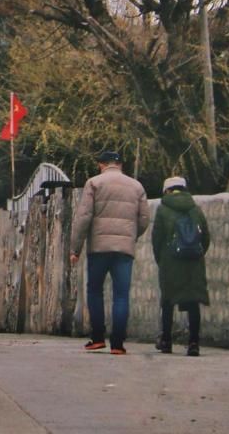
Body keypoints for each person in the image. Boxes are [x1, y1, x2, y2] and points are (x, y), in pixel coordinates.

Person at [69, 150, 150, 355]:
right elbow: (143, 220)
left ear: (101, 164)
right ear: (121, 164)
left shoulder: (94, 183)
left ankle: (97, 338)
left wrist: (75, 249)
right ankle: (118, 344)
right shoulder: (136, 186)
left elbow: (84, 217)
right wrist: (131, 236)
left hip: (98, 248)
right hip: (124, 249)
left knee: (95, 290)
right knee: (121, 295)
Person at [151, 175, 210, 357]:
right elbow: (206, 237)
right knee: (193, 302)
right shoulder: (195, 209)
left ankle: (166, 341)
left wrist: (161, 260)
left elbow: (157, 239)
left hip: (171, 262)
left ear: (167, 191)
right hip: (194, 262)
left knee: (168, 301)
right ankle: (193, 343)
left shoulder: (163, 210)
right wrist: (197, 254)